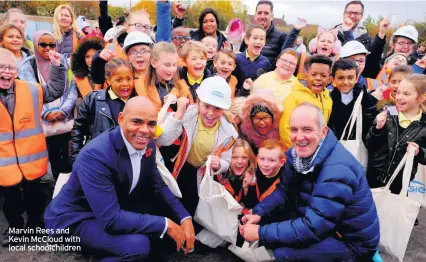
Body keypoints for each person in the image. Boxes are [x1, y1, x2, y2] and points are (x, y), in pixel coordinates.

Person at [45, 96, 196, 260]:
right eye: (137, 122)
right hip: (75, 219)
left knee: (167, 233)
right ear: (121, 119)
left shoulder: (148, 144)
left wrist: (184, 217)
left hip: (111, 206)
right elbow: (111, 219)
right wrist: (164, 224)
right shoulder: (95, 155)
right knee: (139, 246)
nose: (145, 130)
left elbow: (157, 185)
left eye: (151, 124)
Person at [240, 103, 380, 261]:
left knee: (280, 254)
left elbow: (312, 227)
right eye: (294, 129)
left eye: (307, 129)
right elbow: (283, 192)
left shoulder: (337, 170)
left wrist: (260, 232)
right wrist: (259, 213)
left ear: (323, 132)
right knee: (271, 225)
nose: (299, 137)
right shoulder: (295, 155)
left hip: (350, 243)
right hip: (323, 222)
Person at [0, 47, 66, 246]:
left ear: (17, 71)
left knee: (35, 198)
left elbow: (55, 89)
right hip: (4, 164)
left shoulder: (31, 89)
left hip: (31, 159)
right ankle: (15, 229)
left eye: (10, 68)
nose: (6, 71)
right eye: (1, 67)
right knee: (10, 203)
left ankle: (36, 227)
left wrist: (57, 66)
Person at [157, 76, 238, 219]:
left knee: (192, 208)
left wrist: (220, 164)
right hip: (180, 168)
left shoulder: (229, 132)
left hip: (202, 176)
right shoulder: (188, 115)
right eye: (206, 106)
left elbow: (228, 160)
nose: (211, 113)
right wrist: (179, 113)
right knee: (172, 205)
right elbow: (164, 139)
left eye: (217, 108)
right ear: (198, 102)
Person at [19, 30, 77, 180]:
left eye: (52, 44)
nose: (48, 48)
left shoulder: (63, 63)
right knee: (52, 158)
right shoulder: (28, 66)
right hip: (43, 123)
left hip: (64, 120)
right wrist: (46, 113)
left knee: (68, 157)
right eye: (43, 44)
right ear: (36, 45)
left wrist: (63, 111)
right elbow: (29, 93)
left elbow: (72, 89)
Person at [70, 58, 136, 166]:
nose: (125, 84)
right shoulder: (93, 99)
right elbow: (78, 130)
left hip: (128, 163)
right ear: (108, 80)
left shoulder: (138, 101)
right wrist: (76, 159)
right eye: (119, 80)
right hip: (99, 160)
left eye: (129, 79)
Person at [366, 74, 426, 192]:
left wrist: (419, 152)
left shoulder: (424, 123)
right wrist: (377, 129)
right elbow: (370, 145)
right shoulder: (388, 113)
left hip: (400, 185)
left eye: (406, 94)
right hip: (374, 179)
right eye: (398, 92)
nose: (399, 97)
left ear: (422, 97)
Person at [280, 55, 333, 150]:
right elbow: (285, 129)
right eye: (314, 74)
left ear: (329, 79)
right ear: (306, 75)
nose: (318, 78)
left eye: (323, 75)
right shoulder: (294, 98)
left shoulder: (328, 99)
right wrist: (298, 151)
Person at [328, 59, 378, 141]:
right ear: (333, 79)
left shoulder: (366, 98)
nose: (345, 82)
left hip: (359, 146)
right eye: (340, 78)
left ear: (356, 78)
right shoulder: (329, 99)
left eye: (350, 78)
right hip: (335, 145)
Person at [239, 0, 296, 65]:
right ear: (255, 16)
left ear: (272, 16)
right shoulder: (248, 35)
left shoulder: (281, 37)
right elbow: (240, 56)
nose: (262, 16)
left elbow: (287, 62)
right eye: (259, 13)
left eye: (266, 13)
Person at [143, 41, 192, 111]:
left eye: (174, 65)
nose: (171, 69)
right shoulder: (143, 85)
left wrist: (176, 103)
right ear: (153, 63)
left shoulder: (181, 83)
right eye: (167, 65)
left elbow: (189, 110)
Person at [221, 138, 258, 215]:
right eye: (234, 157)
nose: (240, 161)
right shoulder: (219, 174)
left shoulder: (252, 177)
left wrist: (246, 188)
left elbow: (253, 205)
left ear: (249, 160)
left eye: (244, 157)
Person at [234, 25, 270, 96]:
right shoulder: (237, 58)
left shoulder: (266, 62)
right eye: (255, 38)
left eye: (261, 39)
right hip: (238, 98)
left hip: (255, 99)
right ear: (246, 40)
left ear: (265, 42)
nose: (258, 41)